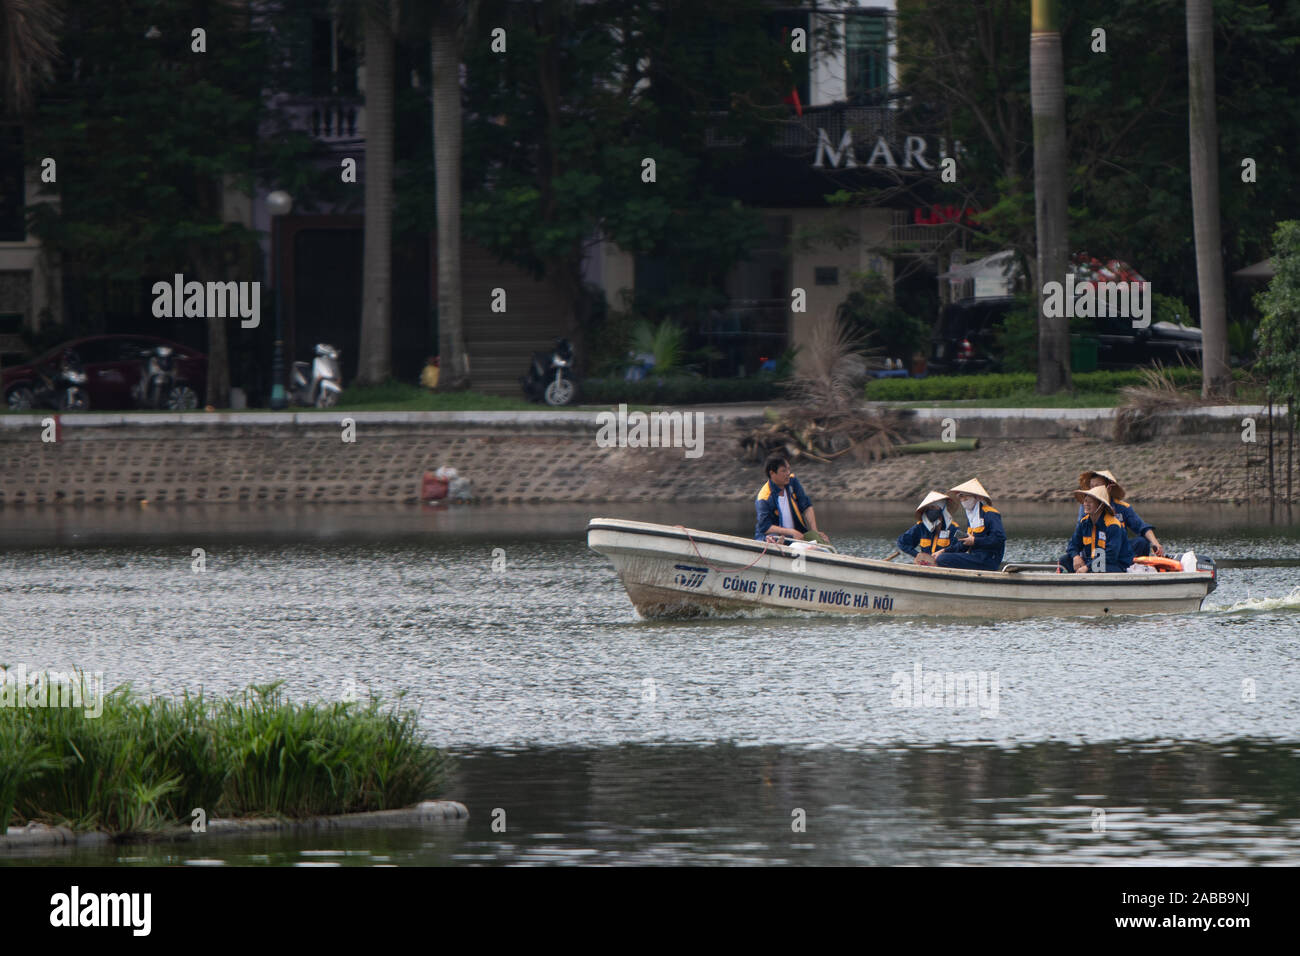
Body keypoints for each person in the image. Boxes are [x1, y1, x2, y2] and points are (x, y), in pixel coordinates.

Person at [1076, 469, 1163, 559]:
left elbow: (1141, 527)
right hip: (1096, 549)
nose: (1094, 490)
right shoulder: (1086, 507)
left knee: (1141, 542)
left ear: (1108, 487)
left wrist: (1155, 543)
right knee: (1066, 559)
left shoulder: (1122, 507)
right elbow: (1080, 534)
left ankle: (1132, 567)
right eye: (1092, 487)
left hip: (1119, 549)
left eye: (1097, 486)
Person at [754, 455, 829, 545]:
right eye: (783, 471)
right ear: (772, 473)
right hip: (774, 537)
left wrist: (815, 531)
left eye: (789, 469)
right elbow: (765, 527)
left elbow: (806, 506)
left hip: (796, 536)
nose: (788, 473)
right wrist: (791, 532)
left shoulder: (792, 481)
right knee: (772, 538)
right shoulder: (764, 498)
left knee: (823, 543)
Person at [935, 478, 1005, 571]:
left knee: (943, 559)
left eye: (965, 497)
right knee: (942, 556)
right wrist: (943, 551)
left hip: (988, 560)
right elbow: (964, 544)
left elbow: (999, 539)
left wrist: (975, 541)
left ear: (978, 497)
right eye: (960, 497)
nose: (962, 500)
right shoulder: (972, 517)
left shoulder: (990, 514)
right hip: (975, 558)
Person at [1059, 484, 1128, 573]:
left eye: (1090, 502)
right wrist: (1076, 556)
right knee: (1064, 559)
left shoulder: (1113, 525)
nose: (1086, 504)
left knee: (1096, 569)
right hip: (1091, 562)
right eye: (1085, 501)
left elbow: (1111, 555)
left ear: (1101, 505)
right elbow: (1072, 545)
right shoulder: (1084, 522)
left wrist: (1087, 567)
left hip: (1114, 565)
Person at [896, 491, 960, 566]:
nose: (930, 510)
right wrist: (918, 555)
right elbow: (902, 542)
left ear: (941, 509)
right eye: (928, 508)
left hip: (945, 566)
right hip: (925, 565)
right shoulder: (921, 526)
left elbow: (958, 548)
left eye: (933, 507)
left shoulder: (953, 528)